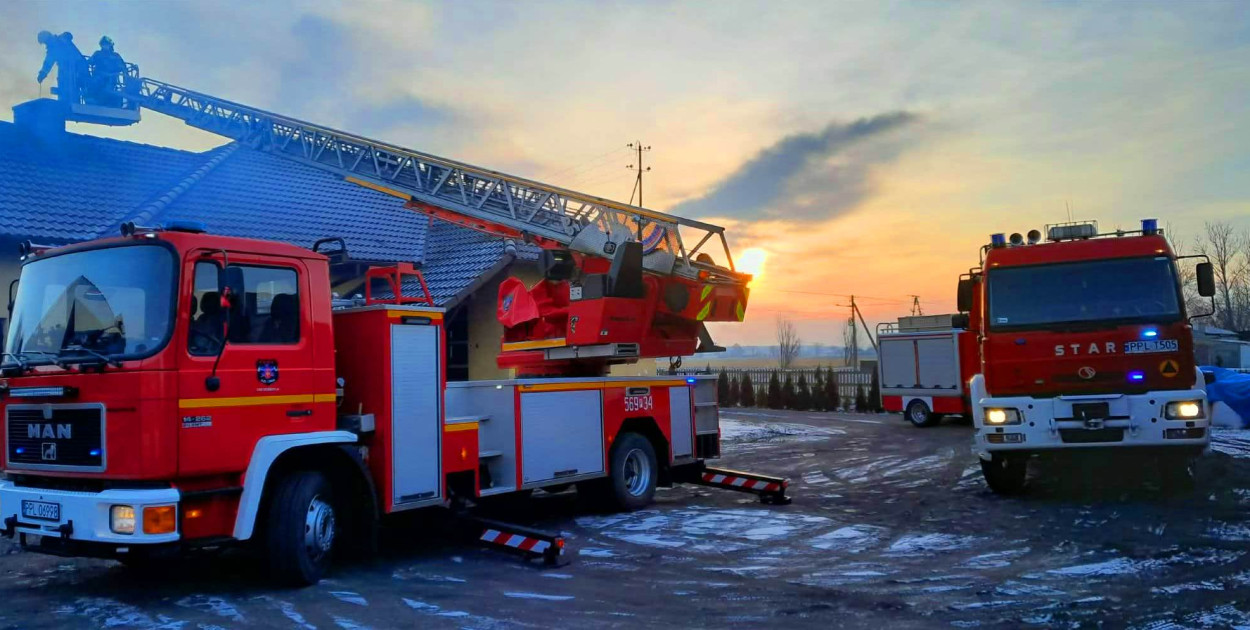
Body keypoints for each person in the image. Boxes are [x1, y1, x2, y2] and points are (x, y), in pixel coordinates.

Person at [36, 31, 85, 103]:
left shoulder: (55, 45)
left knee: (67, 88)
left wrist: (43, 73)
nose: (46, 45)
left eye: (45, 42)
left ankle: (66, 103)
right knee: (74, 89)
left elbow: (49, 61)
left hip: (70, 69)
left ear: (47, 39)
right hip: (76, 69)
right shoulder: (61, 42)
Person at [88, 36, 127, 106]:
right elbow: (90, 62)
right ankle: (92, 98)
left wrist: (123, 76)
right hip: (99, 76)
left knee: (106, 87)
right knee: (93, 82)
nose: (105, 46)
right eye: (103, 44)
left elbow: (122, 67)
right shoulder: (97, 54)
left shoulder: (115, 56)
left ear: (110, 45)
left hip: (111, 77)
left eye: (106, 44)